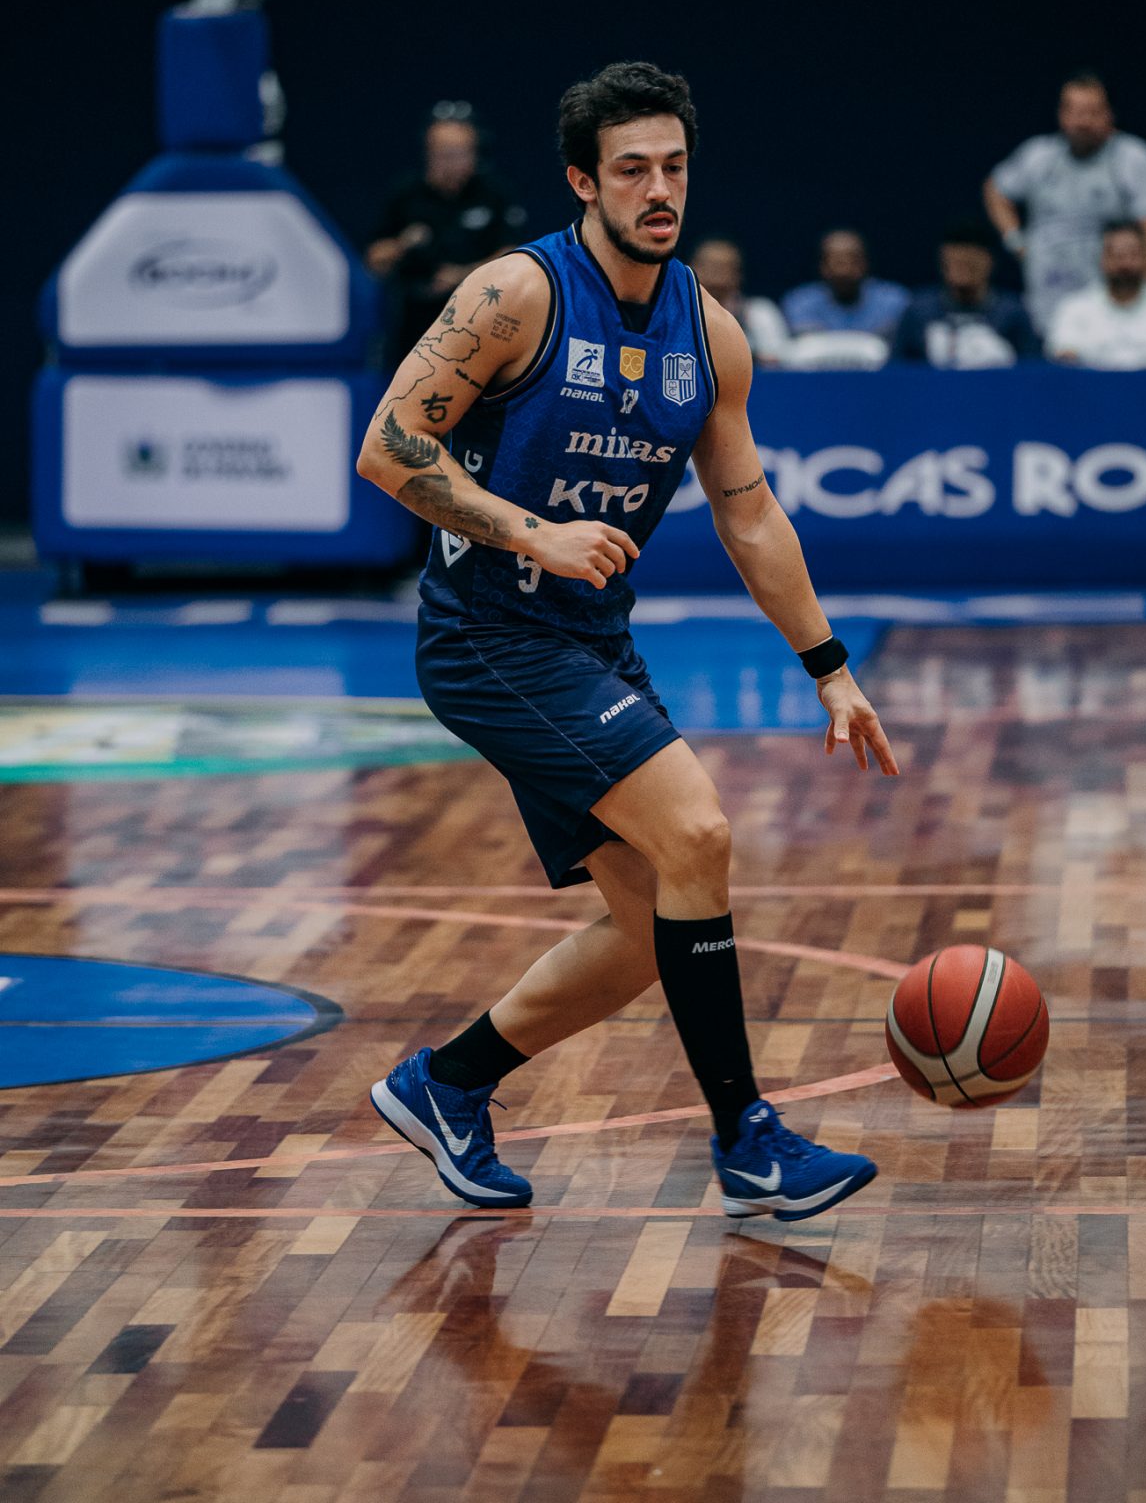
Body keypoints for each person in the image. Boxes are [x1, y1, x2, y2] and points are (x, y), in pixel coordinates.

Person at [356, 61, 899, 1223]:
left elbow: (749, 513)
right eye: (633, 169)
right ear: (582, 181)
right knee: (699, 833)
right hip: (488, 636)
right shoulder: (516, 294)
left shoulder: (711, 332)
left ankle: (448, 1085)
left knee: (654, 927)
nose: (659, 190)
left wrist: (830, 667)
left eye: (674, 168)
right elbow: (389, 447)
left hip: (590, 640)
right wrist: (531, 532)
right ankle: (748, 1143)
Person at [983, 72, 1146, 336]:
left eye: (1092, 112)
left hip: (1109, 310)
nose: (1083, 121)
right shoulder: (1039, 156)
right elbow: (995, 190)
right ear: (1061, 114)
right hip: (1047, 302)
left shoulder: (1131, 158)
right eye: (1074, 111)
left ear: (1109, 114)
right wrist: (1017, 242)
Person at [366, 103, 528, 356]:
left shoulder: (494, 194)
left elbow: (513, 256)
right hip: (414, 322)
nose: (451, 163)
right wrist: (404, 244)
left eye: (460, 153)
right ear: (429, 153)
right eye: (443, 154)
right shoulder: (406, 195)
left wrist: (461, 276)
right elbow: (375, 260)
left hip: (478, 317)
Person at [1046, 220, 1146, 369]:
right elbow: (1064, 368)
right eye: (1116, 255)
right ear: (1101, 258)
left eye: (1133, 254)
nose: (1124, 264)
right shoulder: (1073, 311)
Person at [891, 221, 1041, 368]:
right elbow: (896, 370)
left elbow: (1032, 370)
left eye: (969, 264)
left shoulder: (1012, 312)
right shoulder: (919, 312)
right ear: (943, 264)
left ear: (989, 262)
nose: (961, 272)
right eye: (955, 263)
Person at [779, 230, 909, 369]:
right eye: (837, 262)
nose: (845, 270)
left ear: (865, 263)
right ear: (823, 266)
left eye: (853, 260)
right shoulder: (799, 302)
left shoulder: (894, 301)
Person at [689, 236, 789, 365]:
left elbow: (777, 359)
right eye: (708, 266)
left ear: (738, 274)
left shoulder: (759, 312)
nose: (715, 274)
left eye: (723, 267)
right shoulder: (672, 312)